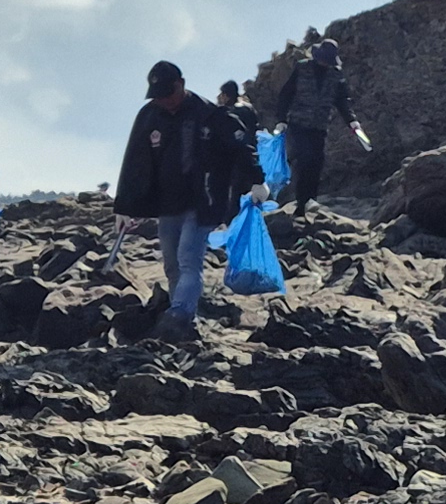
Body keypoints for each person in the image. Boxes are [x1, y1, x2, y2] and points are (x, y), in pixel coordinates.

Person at [114, 62, 256, 342]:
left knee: (188, 259)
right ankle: (183, 319)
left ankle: (180, 314)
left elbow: (241, 147)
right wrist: (124, 206)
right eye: (157, 95)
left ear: (181, 84)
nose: (163, 100)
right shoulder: (149, 115)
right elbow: (134, 160)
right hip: (167, 203)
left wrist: (257, 180)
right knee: (172, 264)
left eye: (167, 93)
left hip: (203, 200)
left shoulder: (207, 113)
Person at [272, 39, 363, 215]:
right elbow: (286, 94)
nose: (325, 64)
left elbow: (342, 101)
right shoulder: (302, 67)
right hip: (298, 123)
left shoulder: (336, 75)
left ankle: (310, 201)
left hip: (319, 126)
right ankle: (301, 203)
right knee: (305, 158)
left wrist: (352, 121)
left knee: (317, 162)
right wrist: (281, 119)